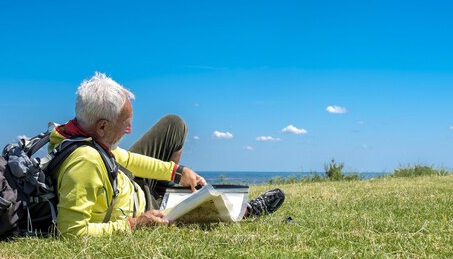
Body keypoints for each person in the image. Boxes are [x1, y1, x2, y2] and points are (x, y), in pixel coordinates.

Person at [50, 72, 284, 237]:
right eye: (125, 123)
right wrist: (134, 224)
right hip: (137, 206)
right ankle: (245, 211)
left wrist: (177, 171)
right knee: (202, 205)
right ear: (102, 126)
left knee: (174, 124)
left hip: (127, 184)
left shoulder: (83, 136)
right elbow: (72, 232)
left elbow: (128, 160)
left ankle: (168, 190)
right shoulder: (85, 162)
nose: (129, 129)